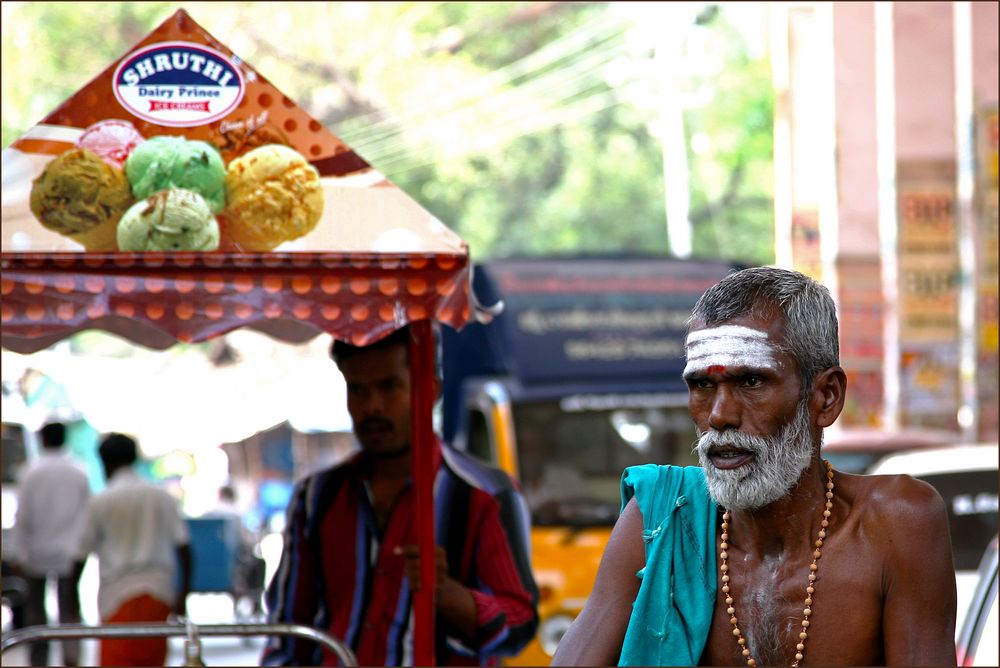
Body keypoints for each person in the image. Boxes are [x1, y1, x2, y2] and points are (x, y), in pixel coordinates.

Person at [551, 266, 958, 667]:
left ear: (826, 397)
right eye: (703, 386)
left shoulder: (895, 525)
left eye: (751, 383)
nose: (720, 416)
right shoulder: (660, 520)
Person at [262, 325, 539, 666]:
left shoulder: (485, 494)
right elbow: (289, 630)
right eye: (358, 390)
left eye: (389, 387)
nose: (372, 406)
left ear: (430, 390)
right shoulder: (315, 496)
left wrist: (448, 594)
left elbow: (520, 623)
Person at [71, 433, 192, 666]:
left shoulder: (101, 501)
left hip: (116, 596)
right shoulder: (161, 497)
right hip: (158, 593)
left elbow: (80, 555)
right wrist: (182, 594)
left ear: (104, 462)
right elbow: (184, 547)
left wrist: (71, 599)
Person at [10, 421, 90, 666]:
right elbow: (86, 514)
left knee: (36, 612)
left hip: (37, 551)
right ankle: (71, 657)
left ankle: (39, 660)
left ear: (43, 440)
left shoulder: (30, 472)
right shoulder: (79, 471)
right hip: (70, 551)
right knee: (69, 608)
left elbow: (22, 516)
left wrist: (17, 552)